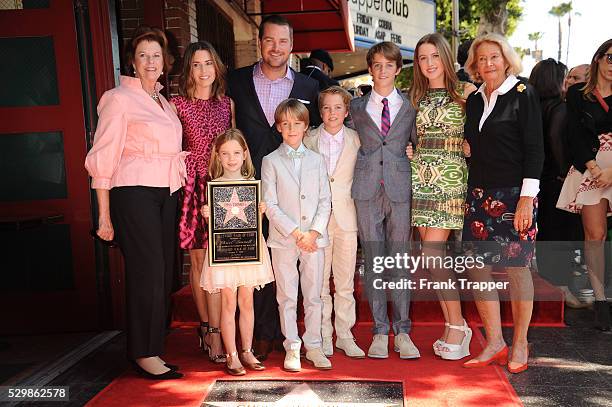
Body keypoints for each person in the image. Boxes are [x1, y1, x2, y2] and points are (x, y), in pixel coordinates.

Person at [84, 26, 187, 380]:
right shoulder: (117, 98)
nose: (149, 61)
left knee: (164, 272)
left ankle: (152, 345)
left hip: (166, 192)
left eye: (156, 55)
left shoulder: (164, 101)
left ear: (165, 61)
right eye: (142, 55)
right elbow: (103, 155)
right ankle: (143, 352)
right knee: (148, 272)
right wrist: (104, 215)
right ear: (132, 60)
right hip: (134, 192)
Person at [228, 14, 321, 360]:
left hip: (294, 193)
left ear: (292, 45)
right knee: (259, 261)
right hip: (249, 189)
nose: (276, 48)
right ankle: (263, 333)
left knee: (296, 265)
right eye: (269, 40)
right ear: (259, 42)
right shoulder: (235, 81)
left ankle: (296, 336)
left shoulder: (309, 87)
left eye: (283, 41)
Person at [462, 33, 544, 373]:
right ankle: (495, 341)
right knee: (478, 268)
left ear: (506, 58)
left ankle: (520, 342)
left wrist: (527, 197)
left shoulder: (523, 94)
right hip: (479, 194)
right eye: (481, 59)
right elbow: (477, 142)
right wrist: (469, 150)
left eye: (493, 57)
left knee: (516, 269)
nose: (488, 64)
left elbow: (535, 148)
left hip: (514, 195)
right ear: (474, 65)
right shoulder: (476, 99)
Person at [407, 33, 477, 360]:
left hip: (449, 179)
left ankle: (459, 326)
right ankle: (454, 324)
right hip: (421, 178)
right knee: (432, 259)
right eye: (423, 58)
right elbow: (415, 136)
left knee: (433, 257)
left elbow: (483, 133)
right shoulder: (416, 96)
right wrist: (412, 150)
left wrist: (471, 147)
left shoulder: (466, 92)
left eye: (434, 56)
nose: (429, 63)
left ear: (445, 58)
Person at [349, 41, 420, 360]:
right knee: (375, 261)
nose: (382, 70)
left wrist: (414, 153)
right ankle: (379, 331)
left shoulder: (410, 107)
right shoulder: (356, 107)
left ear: (398, 69)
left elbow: (420, 145)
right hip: (365, 189)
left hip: (400, 188)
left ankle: (402, 331)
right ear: (370, 68)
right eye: (376, 65)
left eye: (388, 65)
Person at [170, 41, 234, 363]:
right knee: (198, 262)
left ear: (217, 67)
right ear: (188, 69)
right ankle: (209, 329)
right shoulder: (176, 104)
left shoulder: (227, 105)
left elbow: (233, 149)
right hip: (192, 188)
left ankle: (222, 331)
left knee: (220, 262)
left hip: (221, 189)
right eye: (196, 64)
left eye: (208, 63)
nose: (203, 70)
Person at [261, 99, 332, 372]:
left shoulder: (317, 160)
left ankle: (313, 345)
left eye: (297, 123)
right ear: (279, 127)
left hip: (314, 240)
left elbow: (325, 200)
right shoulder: (270, 161)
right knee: (287, 296)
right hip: (283, 239)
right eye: (286, 124)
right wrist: (295, 232)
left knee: (314, 295)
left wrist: (313, 232)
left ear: (306, 126)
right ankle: (292, 346)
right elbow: (271, 204)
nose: (291, 128)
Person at [200, 129, 275, 375]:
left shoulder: (252, 186)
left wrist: (261, 209)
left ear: (245, 154)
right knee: (228, 301)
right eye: (225, 154)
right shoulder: (213, 187)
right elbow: (215, 223)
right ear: (218, 157)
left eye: (235, 153)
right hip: (225, 250)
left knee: (247, 301)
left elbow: (254, 220)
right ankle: (231, 353)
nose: (231, 158)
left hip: (248, 248)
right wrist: (207, 214)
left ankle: (247, 350)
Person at [303, 86, 365, 359]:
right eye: (326, 107)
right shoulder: (308, 139)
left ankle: (345, 335)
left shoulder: (357, 139)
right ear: (320, 110)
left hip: (346, 217)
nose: (332, 113)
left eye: (337, 107)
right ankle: (324, 335)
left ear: (346, 111)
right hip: (317, 220)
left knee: (344, 281)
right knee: (319, 282)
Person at [557, 39, 612, 331]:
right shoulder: (579, 94)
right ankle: (600, 302)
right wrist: (593, 167)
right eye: (611, 58)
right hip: (590, 165)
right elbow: (573, 135)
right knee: (595, 234)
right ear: (599, 58)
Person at [528, 59, 586, 309]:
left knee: (546, 234)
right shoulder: (559, 108)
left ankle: (551, 285)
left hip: (534, 178)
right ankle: (561, 288)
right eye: (566, 77)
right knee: (559, 233)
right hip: (555, 179)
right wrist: (564, 172)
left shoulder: (529, 106)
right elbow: (555, 140)